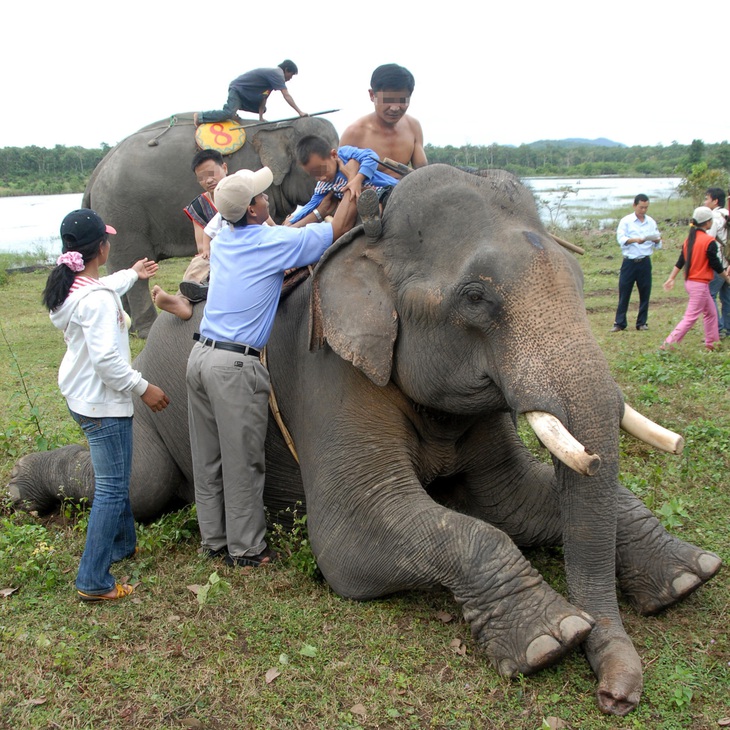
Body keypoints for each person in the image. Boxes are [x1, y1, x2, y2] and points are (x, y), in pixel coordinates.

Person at [186, 167, 356, 567]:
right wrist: (354, 186)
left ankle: (214, 541)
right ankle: (247, 550)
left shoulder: (226, 237)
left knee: (208, 459)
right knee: (243, 460)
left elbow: (288, 232)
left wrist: (317, 209)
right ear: (251, 209)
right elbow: (338, 230)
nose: (268, 199)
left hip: (200, 358)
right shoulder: (268, 240)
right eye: (261, 197)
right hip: (234, 366)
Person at [42, 209, 170, 602]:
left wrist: (133, 273)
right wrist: (143, 386)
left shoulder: (72, 289)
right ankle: (93, 580)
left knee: (116, 477)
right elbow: (108, 362)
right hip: (104, 404)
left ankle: (123, 544)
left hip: (82, 398)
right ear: (101, 247)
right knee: (113, 489)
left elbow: (104, 286)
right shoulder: (96, 301)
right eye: (107, 239)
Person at [285, 135, 399, 229]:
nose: (322, 177)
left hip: (385, 189)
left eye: (322, 169)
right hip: (365, 202)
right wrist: (293, 220)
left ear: (334, 155)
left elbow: (371, 156)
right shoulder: (324, 186)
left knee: (377, 204)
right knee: (371, 208)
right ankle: (373, 226)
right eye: (315, 175)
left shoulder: (344, 154)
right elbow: (311, 205)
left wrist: (357, 179)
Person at [660, 207, 730, 352]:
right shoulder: (708, 241)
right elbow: (716, 265)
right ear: (708, 222)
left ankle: (712, 343)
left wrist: (671, 278)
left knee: (710, 313)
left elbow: (681, 261)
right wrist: (727, 279)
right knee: (690, 318)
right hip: (699, 284)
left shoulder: (689, 240)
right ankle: (667, 345)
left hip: (691, 283)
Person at [340, 63, 427, 176]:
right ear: (372, 95)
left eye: (402, 100)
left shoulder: (413, 126)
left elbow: (423, 172)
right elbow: (340, 178)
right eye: (387, 100)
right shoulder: (354, 133)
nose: (395, 108)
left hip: (407, 191)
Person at [194, 61, 306, 126]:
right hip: (238, 90)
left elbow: (263, 98)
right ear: (286, 69)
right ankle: (200, 116)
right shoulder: (277, 74)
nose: (290, 79)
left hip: (245, 95)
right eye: (291, 75)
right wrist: (300, 112)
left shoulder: (272, 80)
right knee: (228, 112)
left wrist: (261, 118)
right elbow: (286, 95)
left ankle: (234, 111)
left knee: (263, 108)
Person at [611, 194, 663, 332]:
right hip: (629, 262)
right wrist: (635, 240)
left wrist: (657, 241)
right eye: (641, 207)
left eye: (646, 207)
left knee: (645, 292)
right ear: (634, 206)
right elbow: (621, 239)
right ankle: (619, 323)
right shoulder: (626, 221)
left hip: (644, 261)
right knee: (624, 292)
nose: (643, 210)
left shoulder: (651, 222)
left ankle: (642, 323)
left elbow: (658, 242)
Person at [704, 187, 730, 338]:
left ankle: (717, 328)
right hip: (728, 262)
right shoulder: (727, 214)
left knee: (709, 294)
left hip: (719, 262)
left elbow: (709, 241)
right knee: (727, 297)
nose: (705, 202)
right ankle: (727, 326)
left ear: (715, 201)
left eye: (707, 199)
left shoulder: (713, 217)